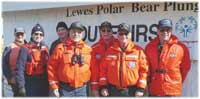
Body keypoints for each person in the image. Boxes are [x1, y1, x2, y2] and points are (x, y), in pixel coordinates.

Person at [99, 23, 148, 97]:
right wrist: (103, 86)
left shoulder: (138, 51)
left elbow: (144, 71)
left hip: (132, 91)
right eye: (121, 34)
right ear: (117, 36)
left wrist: (140, 88)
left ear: (130, 35)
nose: (123, 36)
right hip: (112, 91)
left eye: (126, 33)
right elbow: (103, 70)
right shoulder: (110, 51)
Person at [145, 19, 191, 96]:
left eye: (168, 29)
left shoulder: (181, 47)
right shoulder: (149, 47)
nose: (165, 32)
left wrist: (175, 81)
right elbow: (146, 67)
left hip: (172, 91)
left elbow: (185, 68)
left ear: (171, 30)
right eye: (162, 30)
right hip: (154, 89)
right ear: (158, 31)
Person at [48, 21, 91, 97]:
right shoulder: (60, 48)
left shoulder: (88, 49)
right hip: (65, 89)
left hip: (82, 89)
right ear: (69, 32)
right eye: (73, 31)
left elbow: (93, 69)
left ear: (82, 34)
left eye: (79, 32)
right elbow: (51, 67)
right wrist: (54, 86)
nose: (76, 34)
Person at [90, 21, 117, 96]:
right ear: (100, 32)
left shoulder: (118, 46)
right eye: (103, 30)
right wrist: (95, 88)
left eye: (108, 30)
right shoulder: (94, 48)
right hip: (100, 86)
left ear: (112, 32)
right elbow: (94, 70)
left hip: (116, 87)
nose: (106, 33)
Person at [22, 24, 49, 96]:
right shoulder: (25, 48)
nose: (38, 36)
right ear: (32, 35)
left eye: (41, 34)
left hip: (43, 81)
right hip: (31, 82)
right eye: (36, 34)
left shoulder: (45, 48)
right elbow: (20, 67)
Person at [2, 27, 27, 96]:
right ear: (14, 35)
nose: (20, 36)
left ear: (25, 35)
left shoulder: (28, 46)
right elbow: (4, 65)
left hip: (28, 79)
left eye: (21, 34)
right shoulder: (9, 47)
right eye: (17, 34)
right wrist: (10, 78)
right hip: (16, 81)